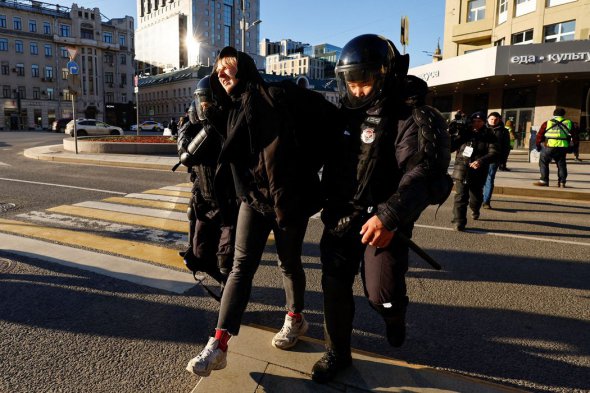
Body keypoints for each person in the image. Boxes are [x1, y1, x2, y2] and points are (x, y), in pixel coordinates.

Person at [312, 34, 453, 384]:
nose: (358, 91)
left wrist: (389, 216)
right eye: (352, 83)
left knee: (381, 295)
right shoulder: (341, 115)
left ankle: (394, 316)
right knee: (334, 287)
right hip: (341, 217)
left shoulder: (413, 115)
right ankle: (337, 353)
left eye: (366, 82)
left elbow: (425, 173)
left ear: (385, 75)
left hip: (387, 220)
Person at [186, 46, 322, 377]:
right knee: (240, 267)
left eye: (227, 68)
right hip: (254, 199)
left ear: (245, 69)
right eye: (217, 70)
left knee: (288, 263)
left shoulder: (275, 95)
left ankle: (294, 317)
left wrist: (308, 176)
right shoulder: (225, 109)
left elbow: (321, 126)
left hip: (288, 200)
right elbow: (198, 153)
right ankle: (219, 345)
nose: (221, 73)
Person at [176, 75, 238, 292]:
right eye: (202, 101)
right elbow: (186, 156)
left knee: (226, 259)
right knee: (200, 253)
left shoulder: (232, 123)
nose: (205, 106)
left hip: (229, 204)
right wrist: (185, 131)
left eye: (209, 101)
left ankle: (229, 297)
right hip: (205, 196)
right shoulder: (197, 124)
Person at [451, 111, 499, 231]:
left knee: (476, 197)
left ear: (484, 122)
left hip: (479, 170)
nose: (476, 124)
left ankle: (475, 209)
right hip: (462, 167)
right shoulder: (464, 132)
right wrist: (452, 132)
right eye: (474, 121)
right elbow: (451, 147)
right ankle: (459, 222)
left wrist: (481, 161)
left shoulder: (489, 134)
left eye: (479, 121)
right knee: (460, 196)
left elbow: (494, 153)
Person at [533, 108, 574, 187]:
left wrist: (538, 146)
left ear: (554, 114)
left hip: (549, 146)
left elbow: (539, 136)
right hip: (562, 147)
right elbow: (575, 137)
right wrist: (572, 148)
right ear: (563, 114)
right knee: (561, 164)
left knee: (543, 162)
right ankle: (562, 182)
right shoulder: (569, 123)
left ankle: (544, 180)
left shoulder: (547, 123)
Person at [482, 112, 511, 209]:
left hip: (494, 159)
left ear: (499, 120)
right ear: (487, 119)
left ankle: (486, 201)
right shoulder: (482, 129)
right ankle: (477, 197)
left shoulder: (503, 131)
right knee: (478, 179)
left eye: (496, 119)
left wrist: (503, 161)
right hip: (480, 158)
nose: (493, 121)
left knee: (489, 179)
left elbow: (506, 147)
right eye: (491, 119)